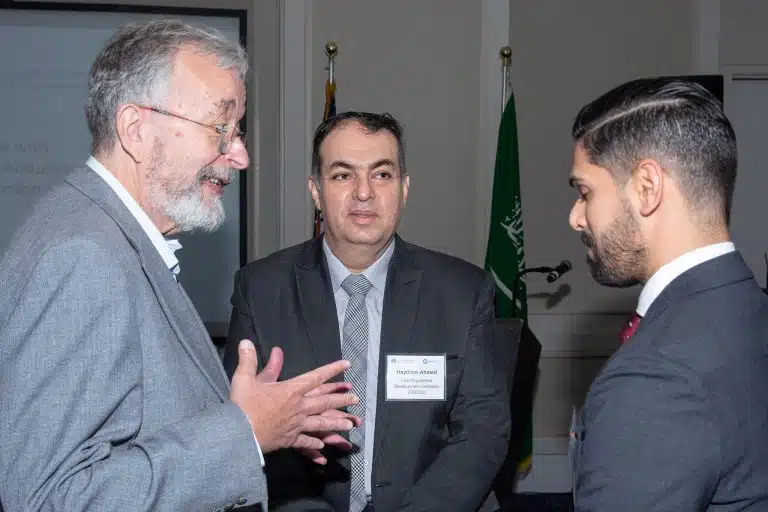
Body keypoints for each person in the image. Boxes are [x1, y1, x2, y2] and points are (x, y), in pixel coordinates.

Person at [0, 20, 359, 512]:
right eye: (220, 129)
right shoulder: (83, 257)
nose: (240, 156)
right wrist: (246, 432)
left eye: (237, 132)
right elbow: (51, 498)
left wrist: (248, 415)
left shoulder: (106, 234)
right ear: (136, 130)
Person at [222, 111, 512, 511]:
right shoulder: (260, 289)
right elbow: (244, 428)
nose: (364, 193)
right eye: (343, 175)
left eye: (382, 174)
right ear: (315, 191)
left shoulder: (462, 291)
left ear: (404, 189)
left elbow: (482, 431)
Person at [568, 78, 768, 510]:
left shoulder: (654, 380)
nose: (576, 217)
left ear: (647, 187)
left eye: (585, 193)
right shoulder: (751, 307)